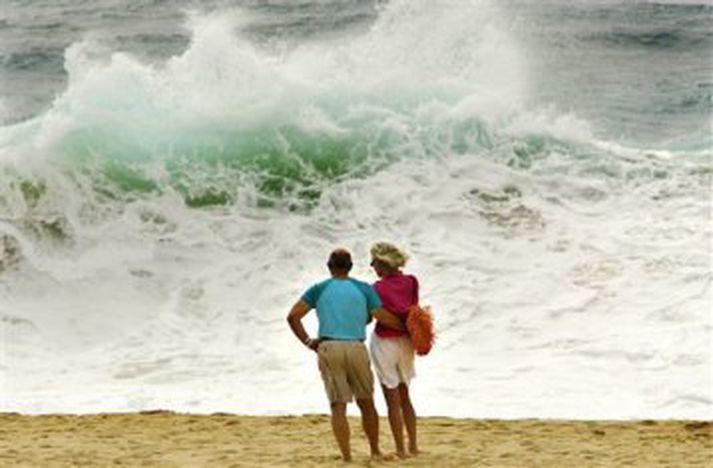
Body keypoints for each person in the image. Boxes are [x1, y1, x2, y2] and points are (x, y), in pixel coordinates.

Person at [286, 248, 404, 462]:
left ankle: (347, 456)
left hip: (329, 347)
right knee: (366, 402)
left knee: (338, 406)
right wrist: (407, 327)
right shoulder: (363, 289)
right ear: (350, 267)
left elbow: (293, 316)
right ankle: (375, 451)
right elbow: (381, 317)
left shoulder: (318, 289)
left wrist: (308, 342)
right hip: (356, 347)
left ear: (329, 266)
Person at [369, 242, 420, 458]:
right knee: (405, 395)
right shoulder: (411, 282)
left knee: (391, 398)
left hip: (385, 342)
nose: (372, 265)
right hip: (407, 342)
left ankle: (400, 448)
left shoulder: (377, 288)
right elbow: (413, 310)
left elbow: (377, 314)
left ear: (382, 263)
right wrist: (405, 329)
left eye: (374, 261)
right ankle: (414, 446)